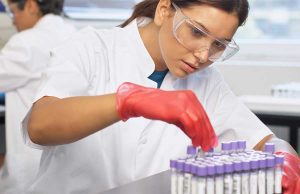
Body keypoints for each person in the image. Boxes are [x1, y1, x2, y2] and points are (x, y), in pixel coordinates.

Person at [23, 0, 299, 193]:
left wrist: (283, 155)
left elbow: (261, 140)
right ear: (164, 9)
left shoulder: (208, 81)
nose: (204, 54)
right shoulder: (93, 47)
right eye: (196, 32)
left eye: (218, 44)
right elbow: (40, 126)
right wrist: (131, 100)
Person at [0, 0, 76, 193]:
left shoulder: (26, 42)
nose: (13, 20)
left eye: (13, 11)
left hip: (33, 161)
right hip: (69, 158)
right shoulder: (74, 34)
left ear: (31, 6)